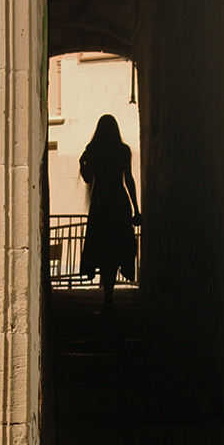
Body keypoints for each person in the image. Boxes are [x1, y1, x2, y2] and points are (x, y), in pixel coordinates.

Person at [79, 114, 141, 308]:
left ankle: (107, 292)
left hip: (100, 204)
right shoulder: (123, 151)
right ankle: (109, 291)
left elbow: (88, 179)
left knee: (103, 248)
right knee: (116, 246)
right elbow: (128, 180)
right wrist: (136, 208)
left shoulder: (94, 150)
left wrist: (82, 164)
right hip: (119, 203)